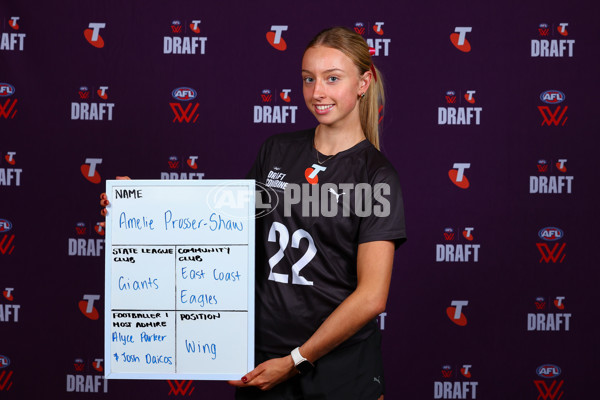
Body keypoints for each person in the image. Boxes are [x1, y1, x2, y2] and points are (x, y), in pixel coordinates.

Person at [100, 26, 406, 400]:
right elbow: (226, 235)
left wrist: (296, 360)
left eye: (332, 78)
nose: (317, 92)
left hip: (341, 370)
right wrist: (138, 215)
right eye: (308, 79)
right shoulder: (276, 152)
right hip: (263, 360)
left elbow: (372, 296)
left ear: (363, 82)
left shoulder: (376, 176)